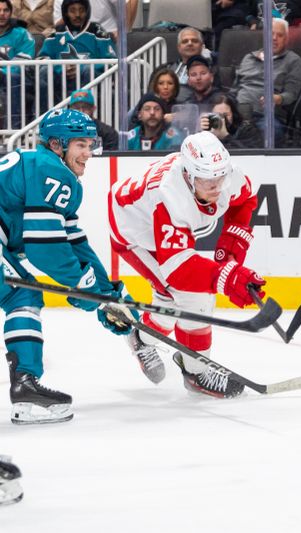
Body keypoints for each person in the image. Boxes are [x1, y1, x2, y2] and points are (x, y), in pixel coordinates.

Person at [0, 109, 137, 424]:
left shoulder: (47, 171)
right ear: (57, 144)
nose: (88, 153)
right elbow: (45, 249)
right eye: (80, 145)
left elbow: (76, 245)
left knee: (19, 295)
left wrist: (107, 295)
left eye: (90, 145)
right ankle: (25, 385)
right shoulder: (52, 172)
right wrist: (85, 288)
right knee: (20, 296)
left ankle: (25, 387)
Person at [108, 131, 265, 397]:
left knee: (175, 298)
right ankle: (196, 373)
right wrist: (227, 277)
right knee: (188, 297)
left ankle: (141, 338)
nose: (217, 187)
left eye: (220, 178)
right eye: (207, 180)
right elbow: (179, 270)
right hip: (133, 230)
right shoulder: (170, 197)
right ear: (188, 176)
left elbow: (245, 201)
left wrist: (230, 249)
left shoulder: (227, 174)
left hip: (157, 223)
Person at [233, 15, 301, 145]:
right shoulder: (248, 58)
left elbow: (292, 94)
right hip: (237, 114)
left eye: (280, 35)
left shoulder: (293, 60)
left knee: (268, 131)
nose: (274, 38)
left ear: (286, 39)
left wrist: (277, 98)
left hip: (267, 117)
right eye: (271, 34)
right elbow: (234, 89)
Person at [37, 0, 116, 101]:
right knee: (45, 71)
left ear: (87, 11)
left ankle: (86, 111)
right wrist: (61, 68)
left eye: (81, 10)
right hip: (60, 80)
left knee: (88, 70)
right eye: (72, 11)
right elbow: (41, 59)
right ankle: (46, 114)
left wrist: (81, 68)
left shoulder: (97, 31)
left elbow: (111, 62)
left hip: (90, 79)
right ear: (65, 12)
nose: (78, 15)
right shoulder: (56, 33)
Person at [0, 0, 35, 129]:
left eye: (5, 10)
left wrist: (2, 72)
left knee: (12, 77)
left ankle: (13, 130)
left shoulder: (22, 33)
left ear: (11, 12)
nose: (2, 14)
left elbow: (25, 60)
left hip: (15, 77)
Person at [165, 27, 213, 101]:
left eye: (194, 41)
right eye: (185, 41)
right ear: (179, 47)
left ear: (201, 46)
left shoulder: (212, 68)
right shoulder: (167, 68)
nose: (190, 43)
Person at [53, 0, 138, 40]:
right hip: (75, 41)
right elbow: (59, 27)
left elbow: (130, 3)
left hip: (107, 38)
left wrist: (123, 31)